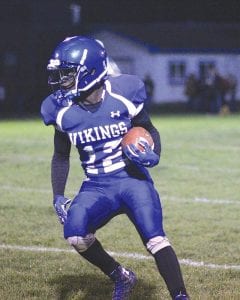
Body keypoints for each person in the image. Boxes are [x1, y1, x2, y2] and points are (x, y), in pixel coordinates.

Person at [41, 36, 189, 300]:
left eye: (67, 75)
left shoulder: (125, 92)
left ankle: (180, 296)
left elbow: (149, 129)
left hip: (132, 179)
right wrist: (57, 196)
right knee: (75, 234)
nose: (60, 82)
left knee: (155, 239)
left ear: (89, 72)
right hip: (97, 184)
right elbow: (61, 156)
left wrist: (154, 154)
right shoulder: (61, 111)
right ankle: (121, 275)